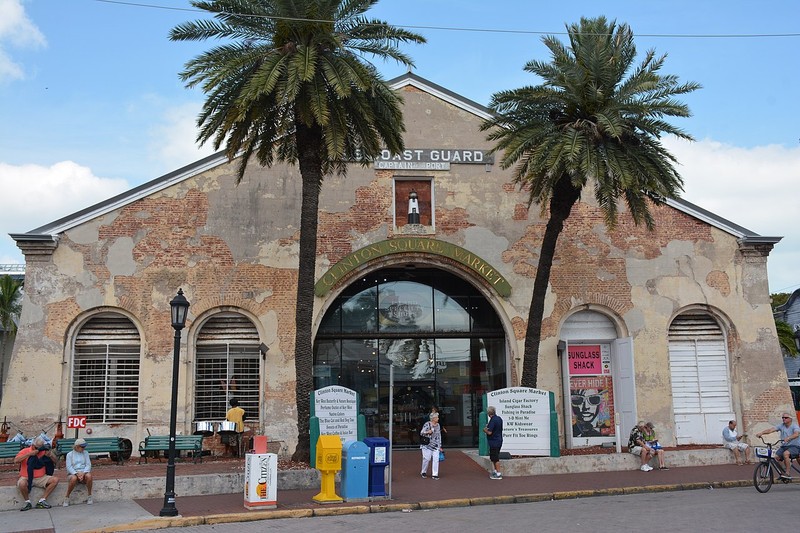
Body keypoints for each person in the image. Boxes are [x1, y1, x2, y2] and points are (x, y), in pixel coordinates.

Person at [14, 436, 59, 511]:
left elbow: (56, 462)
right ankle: (27, 501)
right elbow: (16, 460)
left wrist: (51, 455)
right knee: (22, 483)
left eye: (40, 447)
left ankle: (42, 500)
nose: (38, 450)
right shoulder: (25, 451)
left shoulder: (44, 451)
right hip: (26, 477)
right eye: (36, 447)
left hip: (41, 477)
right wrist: (29, 454)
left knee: (55, 480)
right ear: (33, 445)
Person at [756, 412, 800, 479]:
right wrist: (761, 433)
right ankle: (783, 473)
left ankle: (787, 473)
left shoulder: (794, 426)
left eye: (786, 417)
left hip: (794, 446)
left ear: (790, 419)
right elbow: (771, 430)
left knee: (785, 454)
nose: (783, 419)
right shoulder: (781, 426)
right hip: (784, 446)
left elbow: (796, 434)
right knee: (775, 457)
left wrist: (789, 438)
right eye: (783, 418)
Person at [63, 438, 93, 506]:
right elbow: (69, 467)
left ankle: (89, 495)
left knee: (89, 476)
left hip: (83, 472)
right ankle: (67, 497)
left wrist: (83, 473)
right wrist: (76, 474)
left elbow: (88, 464)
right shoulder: (69, 454)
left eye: (84, 447)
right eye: (82, 447)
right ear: (77, 446)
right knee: (73, 478)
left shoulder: (86, 453)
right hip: (74, 472)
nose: (83, 448)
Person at [419, 412, 442, 479]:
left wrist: (440, 445)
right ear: (433, 418)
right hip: (427, 445)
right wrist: (427, 432)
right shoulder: (427, 424)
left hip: (435, 445)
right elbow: (421, 433)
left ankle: (435, 474)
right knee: (427, 459)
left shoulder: (438, 425)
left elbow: (439, 435)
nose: (438, 418)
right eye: (437, 417)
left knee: (436, 459)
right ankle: (423, 471)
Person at [483, 405, 503, 479]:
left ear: (489, 414)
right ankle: (495, 471)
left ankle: (498, 473)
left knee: (495, 458)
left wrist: (485, 430)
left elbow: (489, 432)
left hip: (494, 441)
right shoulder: (499, 419)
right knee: (494, 457)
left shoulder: (492, 420)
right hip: (499, 440)